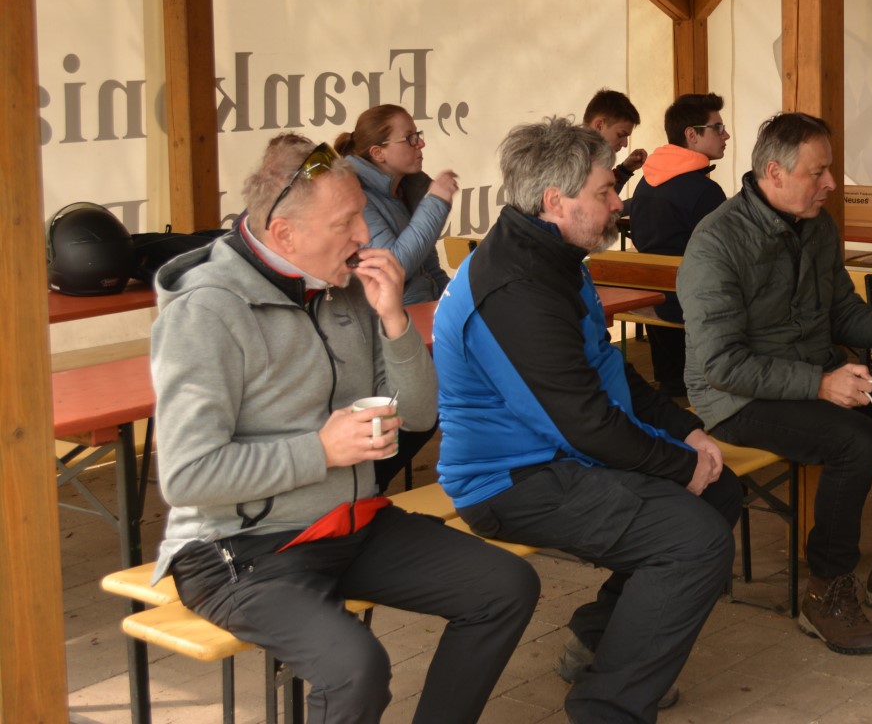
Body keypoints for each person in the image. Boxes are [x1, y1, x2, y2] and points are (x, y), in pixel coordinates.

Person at [149, 134, 538, 724]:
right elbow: (187, 475)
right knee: (356, 669)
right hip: (240, 549)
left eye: (361, 213)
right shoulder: (206, 311)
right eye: (346, 222)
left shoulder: (345, 286)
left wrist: (394, 320)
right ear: (285, 235)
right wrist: (321, 450)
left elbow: (418, 415)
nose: (365, 236)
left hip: (347, 524)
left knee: (505, 585)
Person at [433, 117, 741, 723]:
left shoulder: (553, 255)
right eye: (605, 192)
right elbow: (585, 425)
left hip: (559, 454)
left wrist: (685, 431)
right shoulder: (515, 287)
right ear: (556, 202)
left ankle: (598, 642)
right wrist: (679, 466)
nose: (619, 202)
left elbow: (608, 369)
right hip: (509, 481)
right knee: (695, 539)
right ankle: (608, 707)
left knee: (719, 490)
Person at [680, 111, 872, 655]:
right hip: (737, 399)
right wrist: (819, 383)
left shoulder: (816, 226)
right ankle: (828, 591)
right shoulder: (716, 242)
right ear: (775, 172)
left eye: (830, 170)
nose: (832, 183)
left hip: (815, 376)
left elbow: (843, 315)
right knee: (855, 440)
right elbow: (722, 365)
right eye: (819, 172)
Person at [335, 103, 456, 489]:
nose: (421, 144)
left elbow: (429, 266)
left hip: (424, 316)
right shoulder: (356, 193)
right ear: (378, 152)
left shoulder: (406, 187)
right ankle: (367, 485)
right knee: (429, 404)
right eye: (411, 138)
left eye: (419, 135)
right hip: (388, 325)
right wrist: (436, 204)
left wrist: (454, 301)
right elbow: (394, 268)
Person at [626, 92, 729, 396]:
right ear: (692, 135)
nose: (726, 135)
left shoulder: (646, 182)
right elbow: (727, 254)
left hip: (654, 301)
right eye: (718, 128)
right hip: (693, 309)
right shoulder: (705, 191)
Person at [584, 88, 647, 192]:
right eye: (620, 135)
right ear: (599, 125)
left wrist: (624, 170)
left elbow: (604, 196)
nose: (625, 144)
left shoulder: (596, 159)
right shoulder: (570, 165)